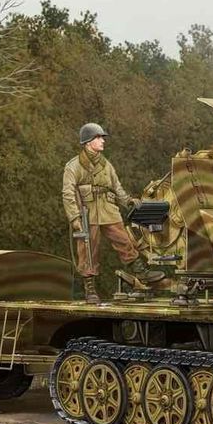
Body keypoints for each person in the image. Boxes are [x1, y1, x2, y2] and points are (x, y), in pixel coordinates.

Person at [62, 122, 162, 303]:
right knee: (88, 249)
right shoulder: (74, 166)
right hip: (88, 212)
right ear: (88, 142)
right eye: (98, 138)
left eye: (102, 137)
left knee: (124, 240)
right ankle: (90, 288)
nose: (102, 141)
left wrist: (128, 201)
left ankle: (141, 272)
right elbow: (68, 193)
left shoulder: (106, 164)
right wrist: (75, 217)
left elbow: (117, 187)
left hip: (108, 209)